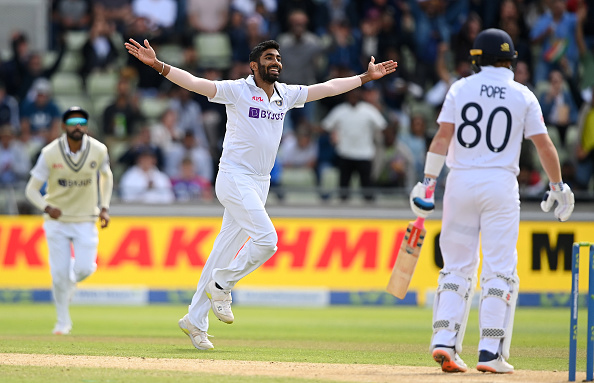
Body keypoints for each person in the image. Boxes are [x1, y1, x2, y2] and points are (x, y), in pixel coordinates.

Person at [125, 37, 397, 350]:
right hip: (233, 178)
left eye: (278, 58)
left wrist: (364, 78)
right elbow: (196, 83)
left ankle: (194, 321)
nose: (276, 62)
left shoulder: (286, 94)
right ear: (254, 65)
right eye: (269, 58)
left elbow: (328, 88)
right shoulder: (237, 90)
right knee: (267, 240)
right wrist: (158, 65)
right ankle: (222, 284)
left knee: (221, 254)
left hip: (260, 183)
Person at [408, 29, 574, 374]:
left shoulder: (460, 87)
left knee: (456, 266)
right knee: (499, 269)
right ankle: (489, 353)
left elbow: (442, 137)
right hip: (500, 183)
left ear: (476, 59)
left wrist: (427, 183)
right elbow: (543, 145)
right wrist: (557, 185)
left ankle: (444, 342)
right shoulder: (523, 94)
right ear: (511, 60)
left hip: (460, 182)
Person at [24, 106, 113, 335]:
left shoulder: (98, 149)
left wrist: (104, 207)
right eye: (73, 121)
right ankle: (62, 322)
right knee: (58, 274)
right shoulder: (50, 153)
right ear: (63, 126)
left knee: (85, 268)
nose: (78, 125)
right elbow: (31, 190)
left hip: (85, 218)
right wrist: (46, 206)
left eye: (82, 121)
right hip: (58, 221)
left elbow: (107, 176)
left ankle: (71, 281)